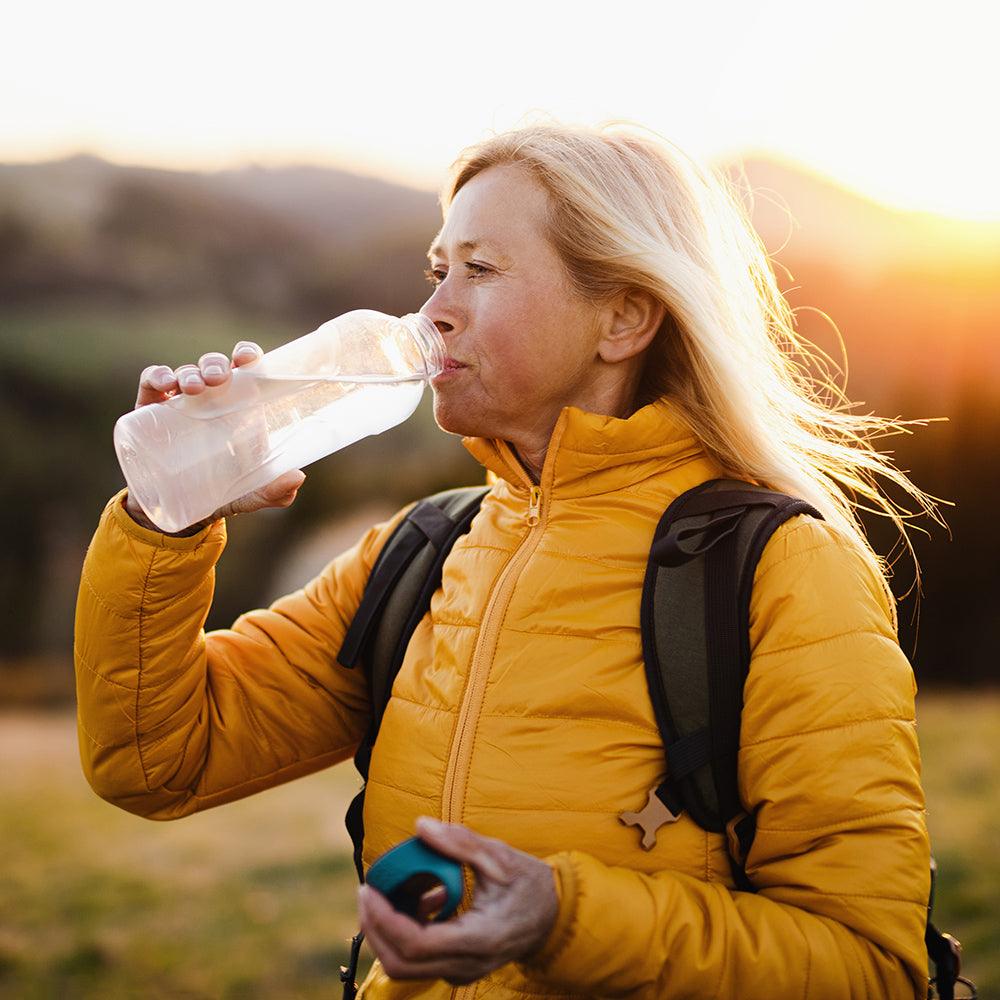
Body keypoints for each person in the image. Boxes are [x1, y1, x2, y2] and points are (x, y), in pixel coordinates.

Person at [75, 123, 942, 999]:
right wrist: (169, 516)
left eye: (480, 271)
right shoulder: (421, 554)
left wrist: (557, 919)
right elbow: (152, 763)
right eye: (435, 272)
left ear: (625, 318)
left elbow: (869, 968)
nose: (433, 311)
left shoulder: (780, 568)